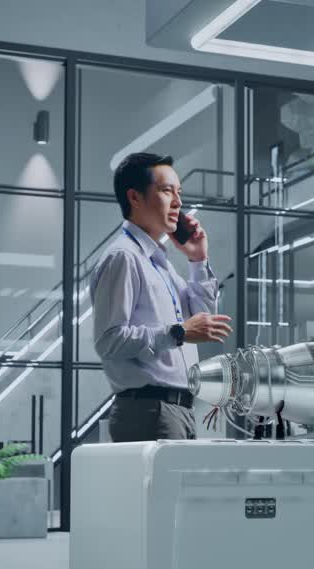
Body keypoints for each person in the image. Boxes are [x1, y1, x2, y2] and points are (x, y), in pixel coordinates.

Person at [90, 152, 232, 441]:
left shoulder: (160, 264)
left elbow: (205, 319)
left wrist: (198, 260)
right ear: (135, 197)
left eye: (179, 193)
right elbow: (109, 341)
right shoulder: (124, 258)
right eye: (167, 191)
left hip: (177, 409)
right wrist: (178, 332)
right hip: (149, 410)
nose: (178, 203)